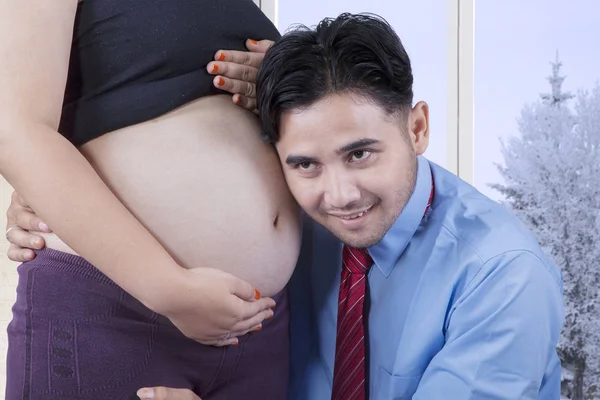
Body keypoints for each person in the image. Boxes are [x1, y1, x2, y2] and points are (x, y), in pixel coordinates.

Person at [7, 12, 566, 400]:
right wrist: (57, 194)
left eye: (361, 153)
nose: (341, 195)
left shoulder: (502, 277)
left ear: (418, 127)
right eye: (303, 164)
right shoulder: (322, 231)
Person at [0, 1, 301, 398]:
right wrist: (168, 288)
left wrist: (289, 82)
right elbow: (16, 130)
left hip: (259, 329)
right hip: (114, 312)